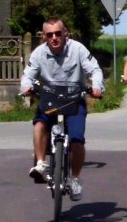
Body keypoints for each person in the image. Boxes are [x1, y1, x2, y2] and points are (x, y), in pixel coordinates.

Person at [20, 18, 104, 201]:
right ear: (44, 37)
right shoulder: (38, 54)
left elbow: (95, 70)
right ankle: (41, 164)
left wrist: (97, 86)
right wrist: (26, 87)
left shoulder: (78, 49)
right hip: (50, 99)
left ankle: (74, 179)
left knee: (77, 141)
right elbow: (28, 75)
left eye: (58, 33)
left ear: (65, 33)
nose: (54, 38)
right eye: (49, 35)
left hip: (74, 99)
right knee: (39, 123)